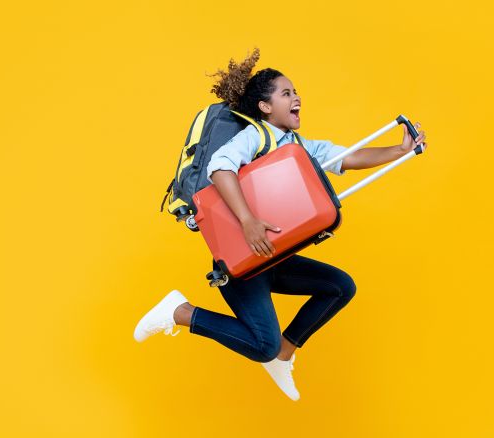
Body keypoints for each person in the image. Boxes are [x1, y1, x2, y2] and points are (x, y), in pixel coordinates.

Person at [134, 49, 426, 401]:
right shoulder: (255, 136)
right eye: (286, 93)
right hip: (242, 260)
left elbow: (345, 158)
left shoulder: (297, 146)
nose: (296, 97)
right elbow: (220, 168)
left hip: (273, 257)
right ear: (265, 107)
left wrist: (400, 150)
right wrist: (248, 222)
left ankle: (283, 355)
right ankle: (180, 312)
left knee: (339, 287)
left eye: (296, 91)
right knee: (260, 344)